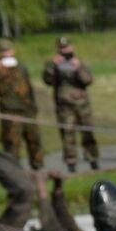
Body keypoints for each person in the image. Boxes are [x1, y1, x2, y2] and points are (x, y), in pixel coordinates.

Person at [0, 37, 45, 168]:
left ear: (13, 51)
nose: (5, 53)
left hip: (27, 109)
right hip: (9, 110)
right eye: (2, 51)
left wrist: (33, 106)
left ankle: (38, 168)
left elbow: (28, 86)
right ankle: (13, 170)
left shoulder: (20, 66)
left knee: (34, 140)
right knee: (11, 142)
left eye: (7, 50)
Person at [41, 36, 99, 173]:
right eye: (61, 48)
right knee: (67, 134)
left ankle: (93, 159)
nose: (64, 50)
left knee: (87, 132)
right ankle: (71, 163)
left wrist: (78, 67)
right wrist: (52, 66)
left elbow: (88, 80)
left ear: (72, 47)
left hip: (82, 104)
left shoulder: (79, 63)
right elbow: (48, 81)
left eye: (66, 47)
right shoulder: (52, 64)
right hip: (64, 106)